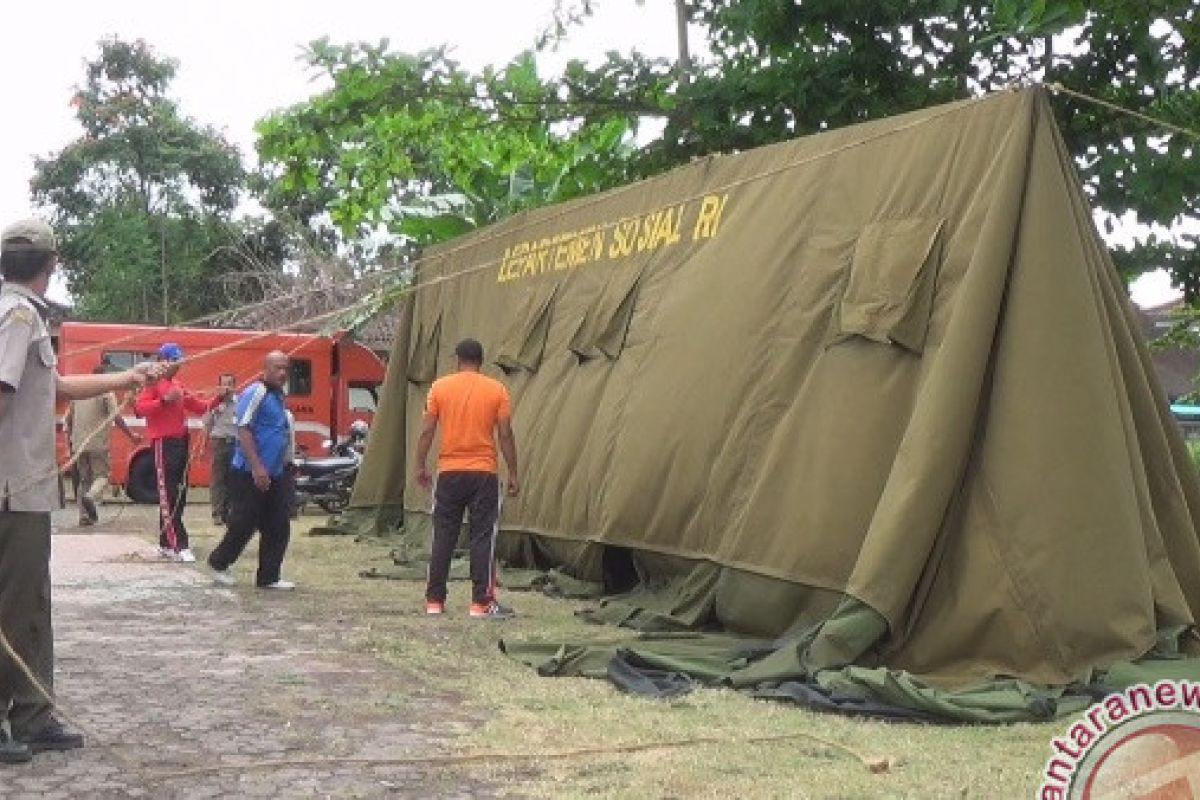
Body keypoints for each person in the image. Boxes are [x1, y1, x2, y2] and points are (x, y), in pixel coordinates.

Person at [0, 217, 158, 763]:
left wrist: (126, 379)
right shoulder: (17, 315)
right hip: (10, 490)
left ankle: (33, 715)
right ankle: (8, 721)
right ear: (51, 263)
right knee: (13, 608)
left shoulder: (21, 315)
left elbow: (56, 387)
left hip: (23, 490)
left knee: (32, 605)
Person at [414, 338, 520, 619]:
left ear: (457, 359)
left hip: (449, 472)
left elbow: (427, 431)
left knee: (443, 536)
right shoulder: (496, 389)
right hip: (483, 473)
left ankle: (434, 601)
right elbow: (505, 435)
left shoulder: (440, 387)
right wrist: (513, 472)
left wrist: (420, 465)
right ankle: (480, 603)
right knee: (482, 536)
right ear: (481, 361)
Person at [208, 351, 296, 590]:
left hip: (276, 472)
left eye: (286, 368)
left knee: (278, 524)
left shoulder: (279, 396)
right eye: (277, 368)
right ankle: (219, 562)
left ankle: (269, 576)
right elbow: (244, 430)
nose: (282, 373)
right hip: (249, 472)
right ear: (265, 369)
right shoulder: (255, 392)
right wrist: (257, 468)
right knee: (245, 522)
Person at [134, 343, 229, 563]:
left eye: (180, 361)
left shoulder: (177, 384)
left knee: (179, 492)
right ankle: (178, 544)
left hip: (180, 441)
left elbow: (198, 405)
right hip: (163, 442)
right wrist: (162, 401)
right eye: (175, 361)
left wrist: (218, 398)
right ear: (164, 361)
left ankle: (166, 542)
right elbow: (139, 409)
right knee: (168, 494)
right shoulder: (153, 383)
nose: (178, 366)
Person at [65, 366, 143, 526]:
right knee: (102, 476)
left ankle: (84, 516)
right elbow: (116, 417)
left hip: (78, 444)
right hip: (98, 443)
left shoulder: (79, 393)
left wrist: (72, 442)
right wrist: (131, 435)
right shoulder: (106, 393)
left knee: (84, 479)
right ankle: (92, 497)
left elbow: (68, 419)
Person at [203, 373, 238, 525]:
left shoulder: (239, 402)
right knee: (218, 479)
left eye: (229, 384)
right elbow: (207, 424)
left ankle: (229, 512)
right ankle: (216, 513)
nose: (227, 388)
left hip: (235, 443)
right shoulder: (215, 403)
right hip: (219, 442)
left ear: (234, 386)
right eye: (224, 384)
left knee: (233, 480)